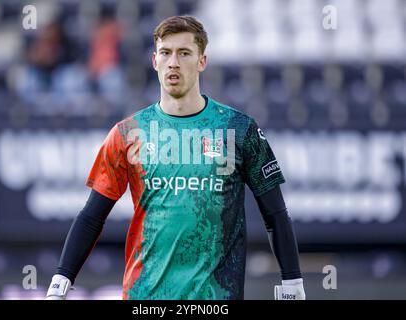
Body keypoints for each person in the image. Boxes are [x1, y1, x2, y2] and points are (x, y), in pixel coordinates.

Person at [45, 15, 305, 300]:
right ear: (154, 61)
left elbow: (275, 213)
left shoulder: (237, 129)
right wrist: (61, 281)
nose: (174, 62)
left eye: (184, 53)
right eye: (166, 53)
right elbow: (93, 216)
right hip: (146, 299)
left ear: (202, 61)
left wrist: (292, 282)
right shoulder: (128, 133)